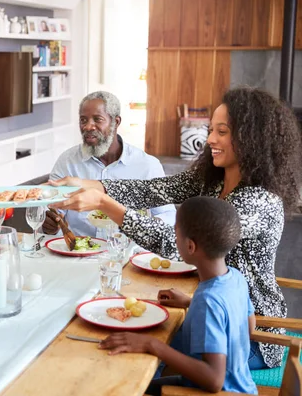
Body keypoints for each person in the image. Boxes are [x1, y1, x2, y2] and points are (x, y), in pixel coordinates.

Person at [50, 87, 302, 369]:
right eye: (210, 130)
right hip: (213, 314)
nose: (210, 139)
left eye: (222, 132)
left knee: (134, 356)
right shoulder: (214, 179)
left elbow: (177, 244)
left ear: (252, 139)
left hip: (249, 337)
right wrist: (90, 184)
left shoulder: (259, 200)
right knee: (122, 336)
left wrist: (104, 203)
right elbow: (153, 190)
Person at [100, 197, 257, 395]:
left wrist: (152, 344)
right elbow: (248, 327)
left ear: (191, 246)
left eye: (175, 233)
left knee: (125, 388)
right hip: (243, 388)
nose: (174, 238)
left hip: (217, 392)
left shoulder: (208, 301)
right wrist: (190, 303)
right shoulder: (235, 278)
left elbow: (214, 380)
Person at [44, 91, 175, 237]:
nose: (88, 127)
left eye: (97, 119)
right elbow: (52, 209)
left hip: (130, 254)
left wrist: (144, 228)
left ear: (116, 122)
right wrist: (50, 223)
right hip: (78, 253)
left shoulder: (147, 165)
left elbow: (168, 215)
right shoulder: (67, 161)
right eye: (83, 120)